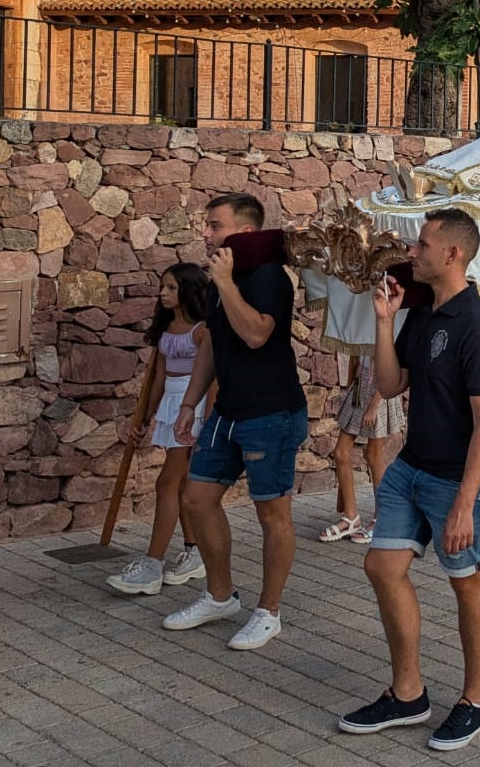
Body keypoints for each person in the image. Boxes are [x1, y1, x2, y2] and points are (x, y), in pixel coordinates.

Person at [341, 208, 480, 751]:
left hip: (462, 479)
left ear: (452, 254)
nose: (411, 252)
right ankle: (408, 693)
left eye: (422, 244)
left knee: (467, 582)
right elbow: (390, 388)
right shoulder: (423, 314)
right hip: (412, 466)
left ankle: (474, 702)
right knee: (381, 566)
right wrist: (386, 322)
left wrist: (464, 503)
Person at [164, 193, 305, 650]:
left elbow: (256, 333)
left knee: (272, 514)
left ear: (245, 233)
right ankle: (220, 596)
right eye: (206, 225)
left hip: (271, 412)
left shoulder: (269, 278)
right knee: (197, 498)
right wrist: (189, 404)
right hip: (226, 411)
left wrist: (224, 284)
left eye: (214, 225)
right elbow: (211, 345)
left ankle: (269, 612)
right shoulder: (222, 280)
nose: (205, 234)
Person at [106, 263, 211, 595]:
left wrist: (203, 418)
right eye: (162, 287)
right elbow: (159, 379)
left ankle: (152, 564)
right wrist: (146, 418)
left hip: (192, 406)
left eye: (170, 288)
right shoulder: (168, 330)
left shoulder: (203, 330)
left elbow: (213, 376)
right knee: (178, 485)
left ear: (188, 291)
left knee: (168, 481)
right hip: (171, 405)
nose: (162, 294)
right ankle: (193, 552)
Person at [318, 352, 393, 546]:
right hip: (359, 389)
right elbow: (356, 362)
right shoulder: (360, 330)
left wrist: (375, 405)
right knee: (341, 452)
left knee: (374, 455)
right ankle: (351, 516)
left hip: (380, 392)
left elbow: (392, 368)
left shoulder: (386, 326)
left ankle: (383, 518)